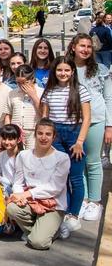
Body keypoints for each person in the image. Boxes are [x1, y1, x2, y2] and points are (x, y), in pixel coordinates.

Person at [40, 56, 91, 238]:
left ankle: (73, 214)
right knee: (60, 177)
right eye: (59, 70)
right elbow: (45, 118)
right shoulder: (49, 91)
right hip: (56, 134)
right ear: (55, 72)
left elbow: (86, 118)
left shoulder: (80, 90)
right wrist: (46, 139)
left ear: (72, 72)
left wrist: (79, 141)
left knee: (75, 177)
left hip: (74, 133)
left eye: (66, 70)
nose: (63, 73)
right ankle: (62, 212)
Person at [6, 119, 71, 250]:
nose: (43, 137)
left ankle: (51, 229)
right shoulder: (23, 155)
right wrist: (19, 196)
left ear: (54, 136)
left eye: (48, 134)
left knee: (38, 243)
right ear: (35, 134)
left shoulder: (62, 158)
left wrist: (27, 194)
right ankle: (39, 230)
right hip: (30, 201)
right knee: (12, 208)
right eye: (40, 133)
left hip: (52, 204)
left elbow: (55, 188)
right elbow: (18, 181)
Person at [68, 33, 112, 222]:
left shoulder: (100, 69)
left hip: (96, 119)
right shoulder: (65, 68)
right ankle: (83, 198)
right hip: (72, 121)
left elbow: (109, 97)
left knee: (93, 161)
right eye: (82, 46)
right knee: (78, 161)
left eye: (88, 46)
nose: (85, 49)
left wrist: (109, 125)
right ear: (73, 48)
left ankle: (95, 201)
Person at [3, 65, 42, 150]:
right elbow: (8, 114)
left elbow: (44, 113)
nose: (21, 85)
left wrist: (34, 96)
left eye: (25, 82)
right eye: (18, 83)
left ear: (32, 79)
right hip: (16, 132)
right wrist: (8, 132)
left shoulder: (41, 92)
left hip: (33, 132)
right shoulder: (12, 93)